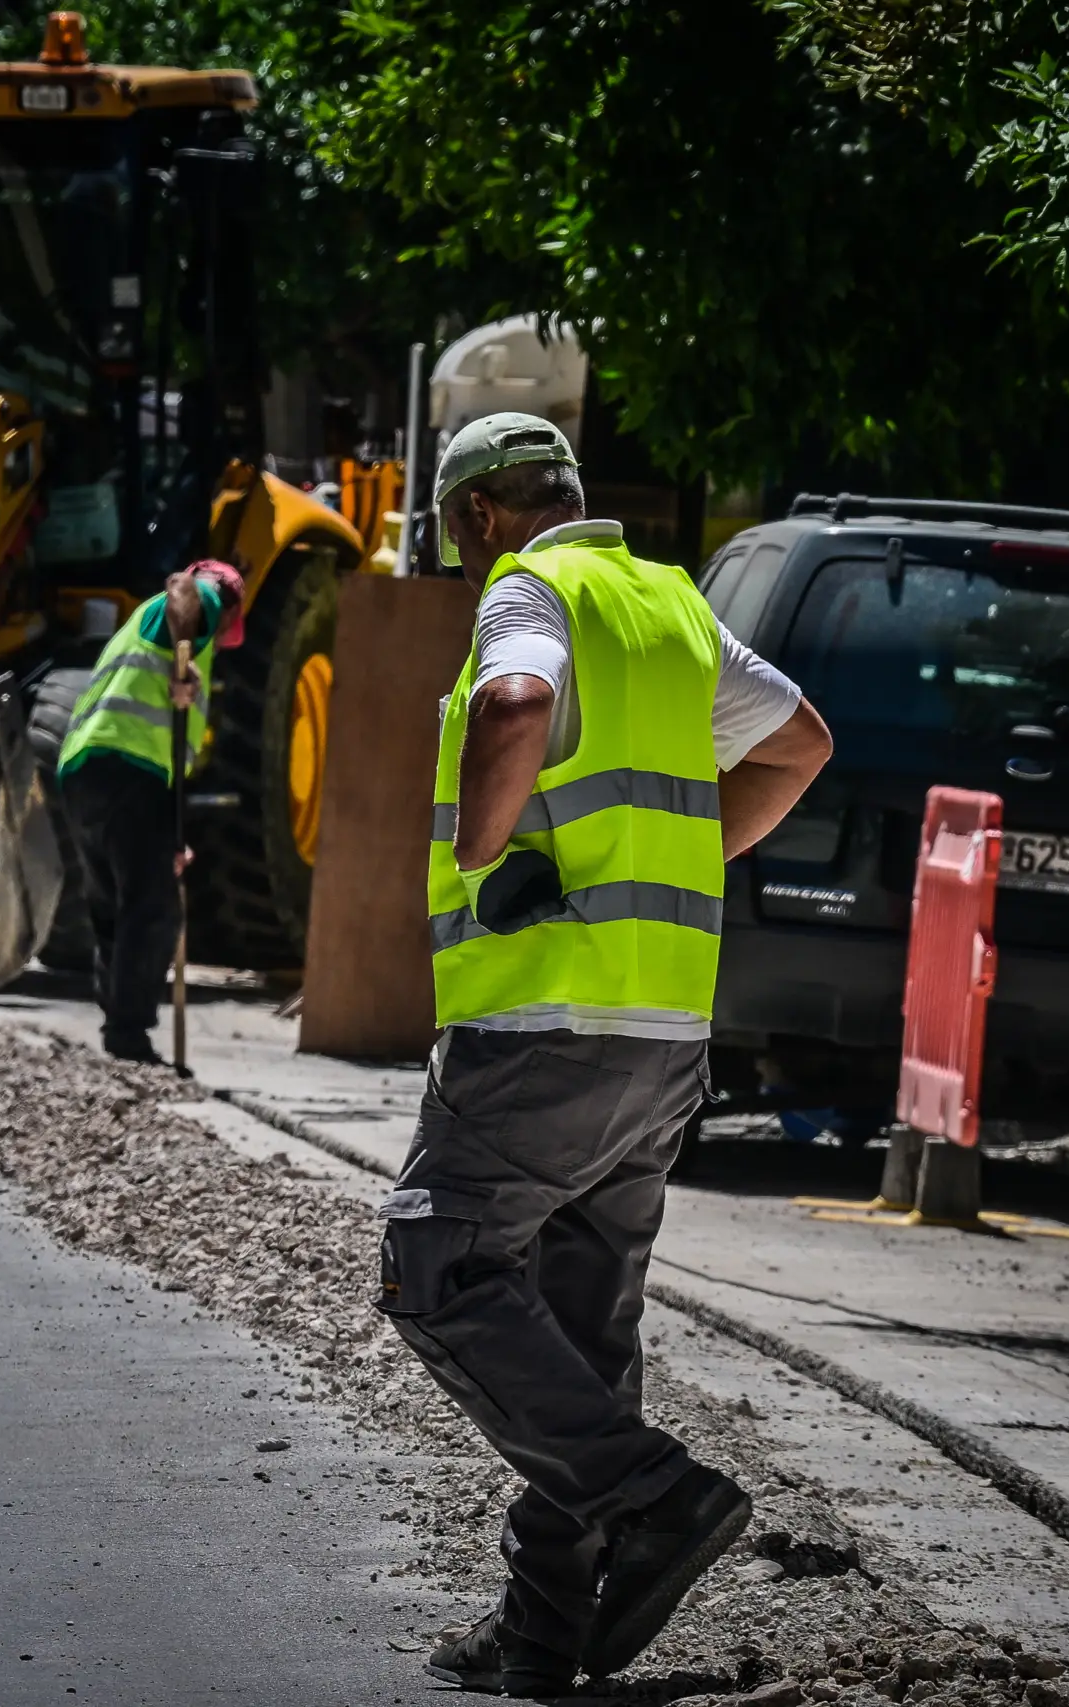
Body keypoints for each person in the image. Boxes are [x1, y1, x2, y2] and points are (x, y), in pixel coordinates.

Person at [381, 413, 833, 1694]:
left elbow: (517, 700)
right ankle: (544, 1634)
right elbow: (802, 742)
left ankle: (657, 1499)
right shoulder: (670, 607)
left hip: (544, 1025)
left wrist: (485, 841)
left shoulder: (531, 590)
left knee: (436, 1261)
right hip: (664, 1031)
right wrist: (680, 858)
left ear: (476, 514)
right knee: (582, 1326)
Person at [54, 558, 245, 1063]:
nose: (221, 636)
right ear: (227, 609)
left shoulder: (156, 636)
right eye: (226, 626)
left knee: (116, 907)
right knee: (152, 909)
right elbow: (183, 586)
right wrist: (184, 660)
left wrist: (172, 832)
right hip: (126, 768)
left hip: (86, 770)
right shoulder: (196, 602)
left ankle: (119, 1028)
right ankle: (128, 1034)